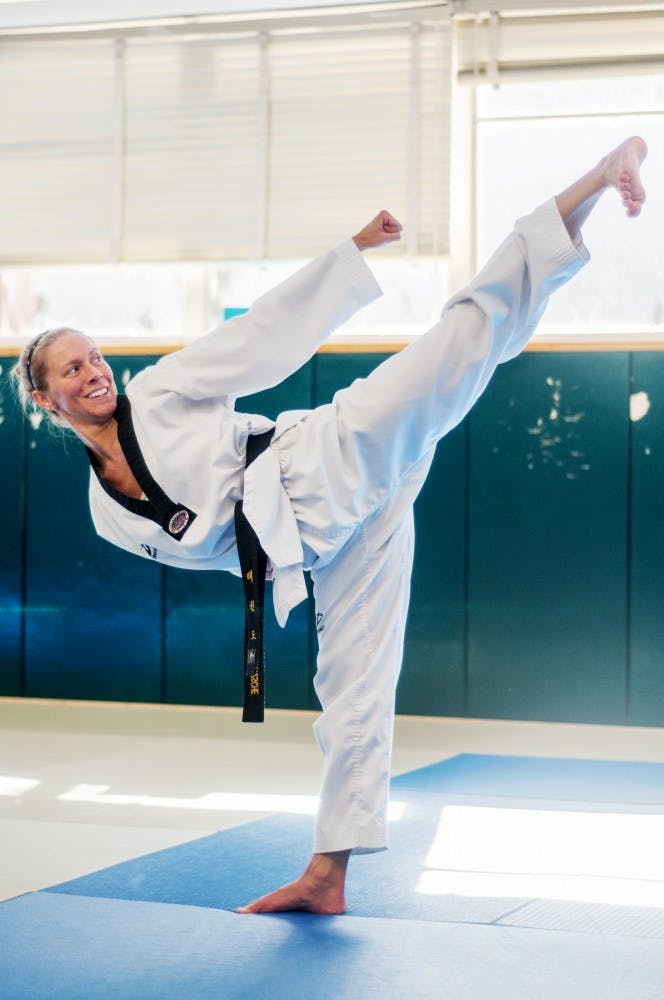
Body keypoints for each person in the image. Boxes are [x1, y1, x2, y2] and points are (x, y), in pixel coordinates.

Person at [13, 136, 648, 916]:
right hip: (327, 544)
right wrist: (279, 570)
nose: (95, 370)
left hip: (325, 459)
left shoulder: (165, 390)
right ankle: (327, 874)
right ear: (47, 401)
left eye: (96, 356)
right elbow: (222, 553)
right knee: (350, 691)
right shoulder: (107, 517)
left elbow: (256, 337)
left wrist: (350, 252)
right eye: (72, 369)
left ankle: (590, 182)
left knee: (463, 340)